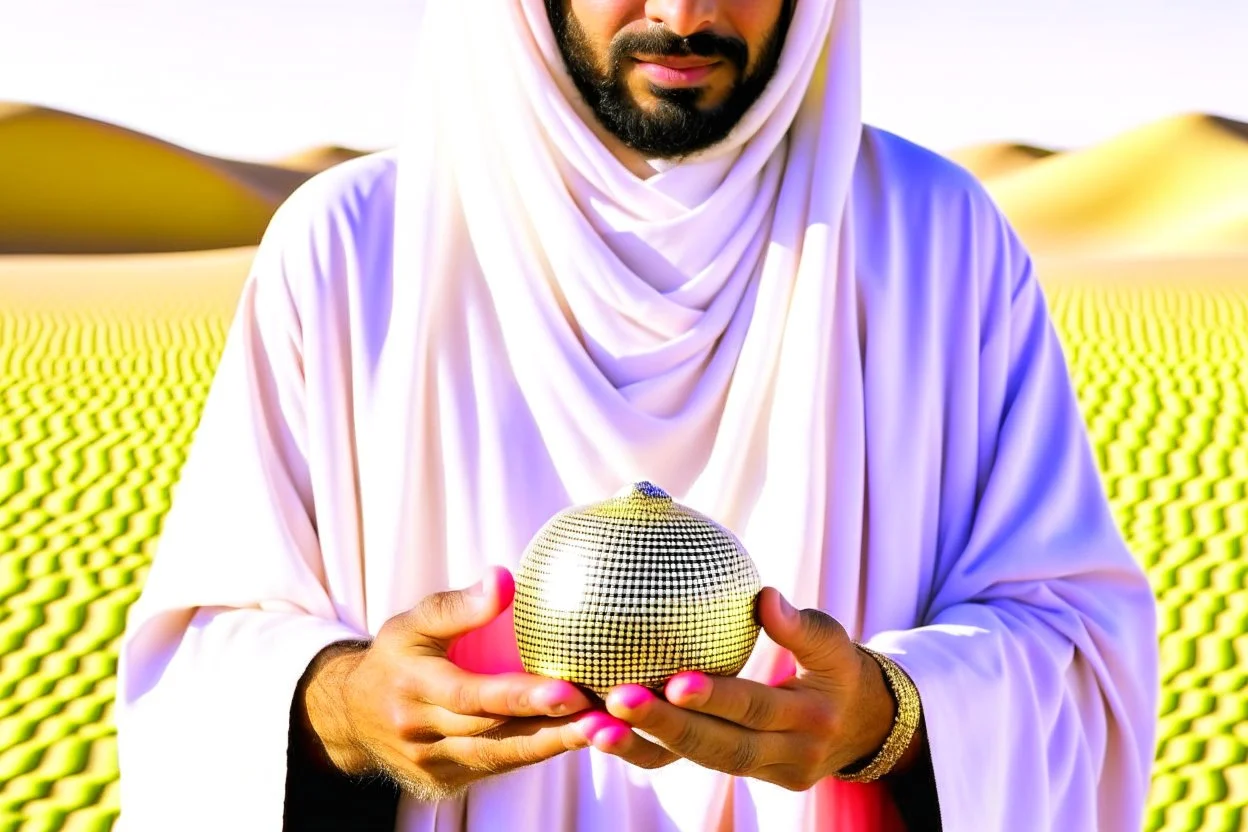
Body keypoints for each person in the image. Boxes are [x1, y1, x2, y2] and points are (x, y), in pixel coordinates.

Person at [115, 0, 1160, 830]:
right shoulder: (351, 248)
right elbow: (204, 665)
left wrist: (883, 717)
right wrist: (350, 708)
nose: (687, 12)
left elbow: (1073, 641)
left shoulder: (935, 240)